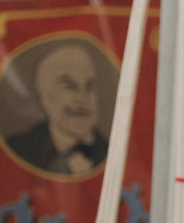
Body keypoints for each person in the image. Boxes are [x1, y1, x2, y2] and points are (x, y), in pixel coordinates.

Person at [8, 42, 109, 177]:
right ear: (43, 96)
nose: (82, 98)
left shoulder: (117, 152)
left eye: (90, 86)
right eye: (69, 86)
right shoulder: (17, 150)